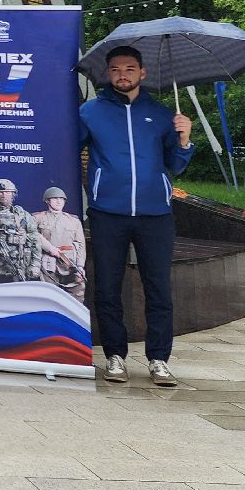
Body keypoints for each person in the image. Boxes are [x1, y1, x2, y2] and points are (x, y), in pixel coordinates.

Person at [81, 45, 194, 386]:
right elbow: (67, 151)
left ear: (141, 73)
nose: (122, 74)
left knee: (158, 288)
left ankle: (159, 359)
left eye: (129, 68)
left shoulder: (162, 114)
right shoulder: (89, 112)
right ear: (107, 73)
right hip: (107, 213)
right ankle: (115, 357)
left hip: (155, 215)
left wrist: (185, 138)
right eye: (115, 69)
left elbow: (175, 165)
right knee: (107, 286)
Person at [34, 187, 87, 302]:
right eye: (55, 198)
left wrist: (80, 265)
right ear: (47, 201)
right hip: (47, 262)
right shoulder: (38, 218)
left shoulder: (73, 221)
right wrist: (50, 248)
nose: (59, 201)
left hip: (69, 262)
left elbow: (81, 245)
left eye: (61, 199)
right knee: (48, 295)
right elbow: (33, 235)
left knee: (77, 293)